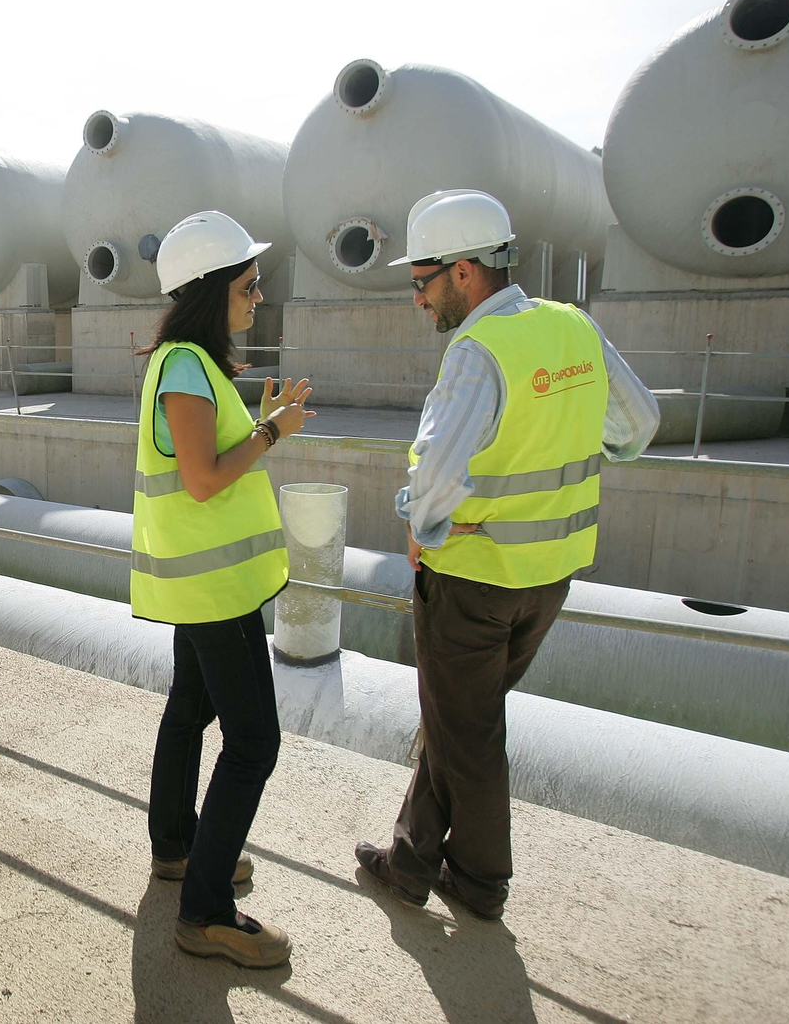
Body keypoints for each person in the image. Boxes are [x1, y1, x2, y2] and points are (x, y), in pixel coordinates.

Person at [355, 190, 659, 920]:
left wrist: (420, 529)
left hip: (474, 577)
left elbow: (435, 476)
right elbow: (639, 425)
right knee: (460, 719)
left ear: (464, 272)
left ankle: (481, 882)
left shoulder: (477, 352)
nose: (419, 300)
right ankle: (410, 857)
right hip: (550, 577)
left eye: (422, 282)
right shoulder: (572, 326)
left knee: (470, 732)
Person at [132, 210, 314, 968]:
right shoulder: (183, 367)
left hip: (206, 582)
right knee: (254, 743)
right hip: (218, 589)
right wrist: (276, 433)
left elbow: (201, 460)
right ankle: (206, 910)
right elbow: (205, 479)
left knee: (191, 707)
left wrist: (263, 420)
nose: (258, 296)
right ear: (212, 291)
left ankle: (182, 850)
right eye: (248, 284)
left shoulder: (189, 363)